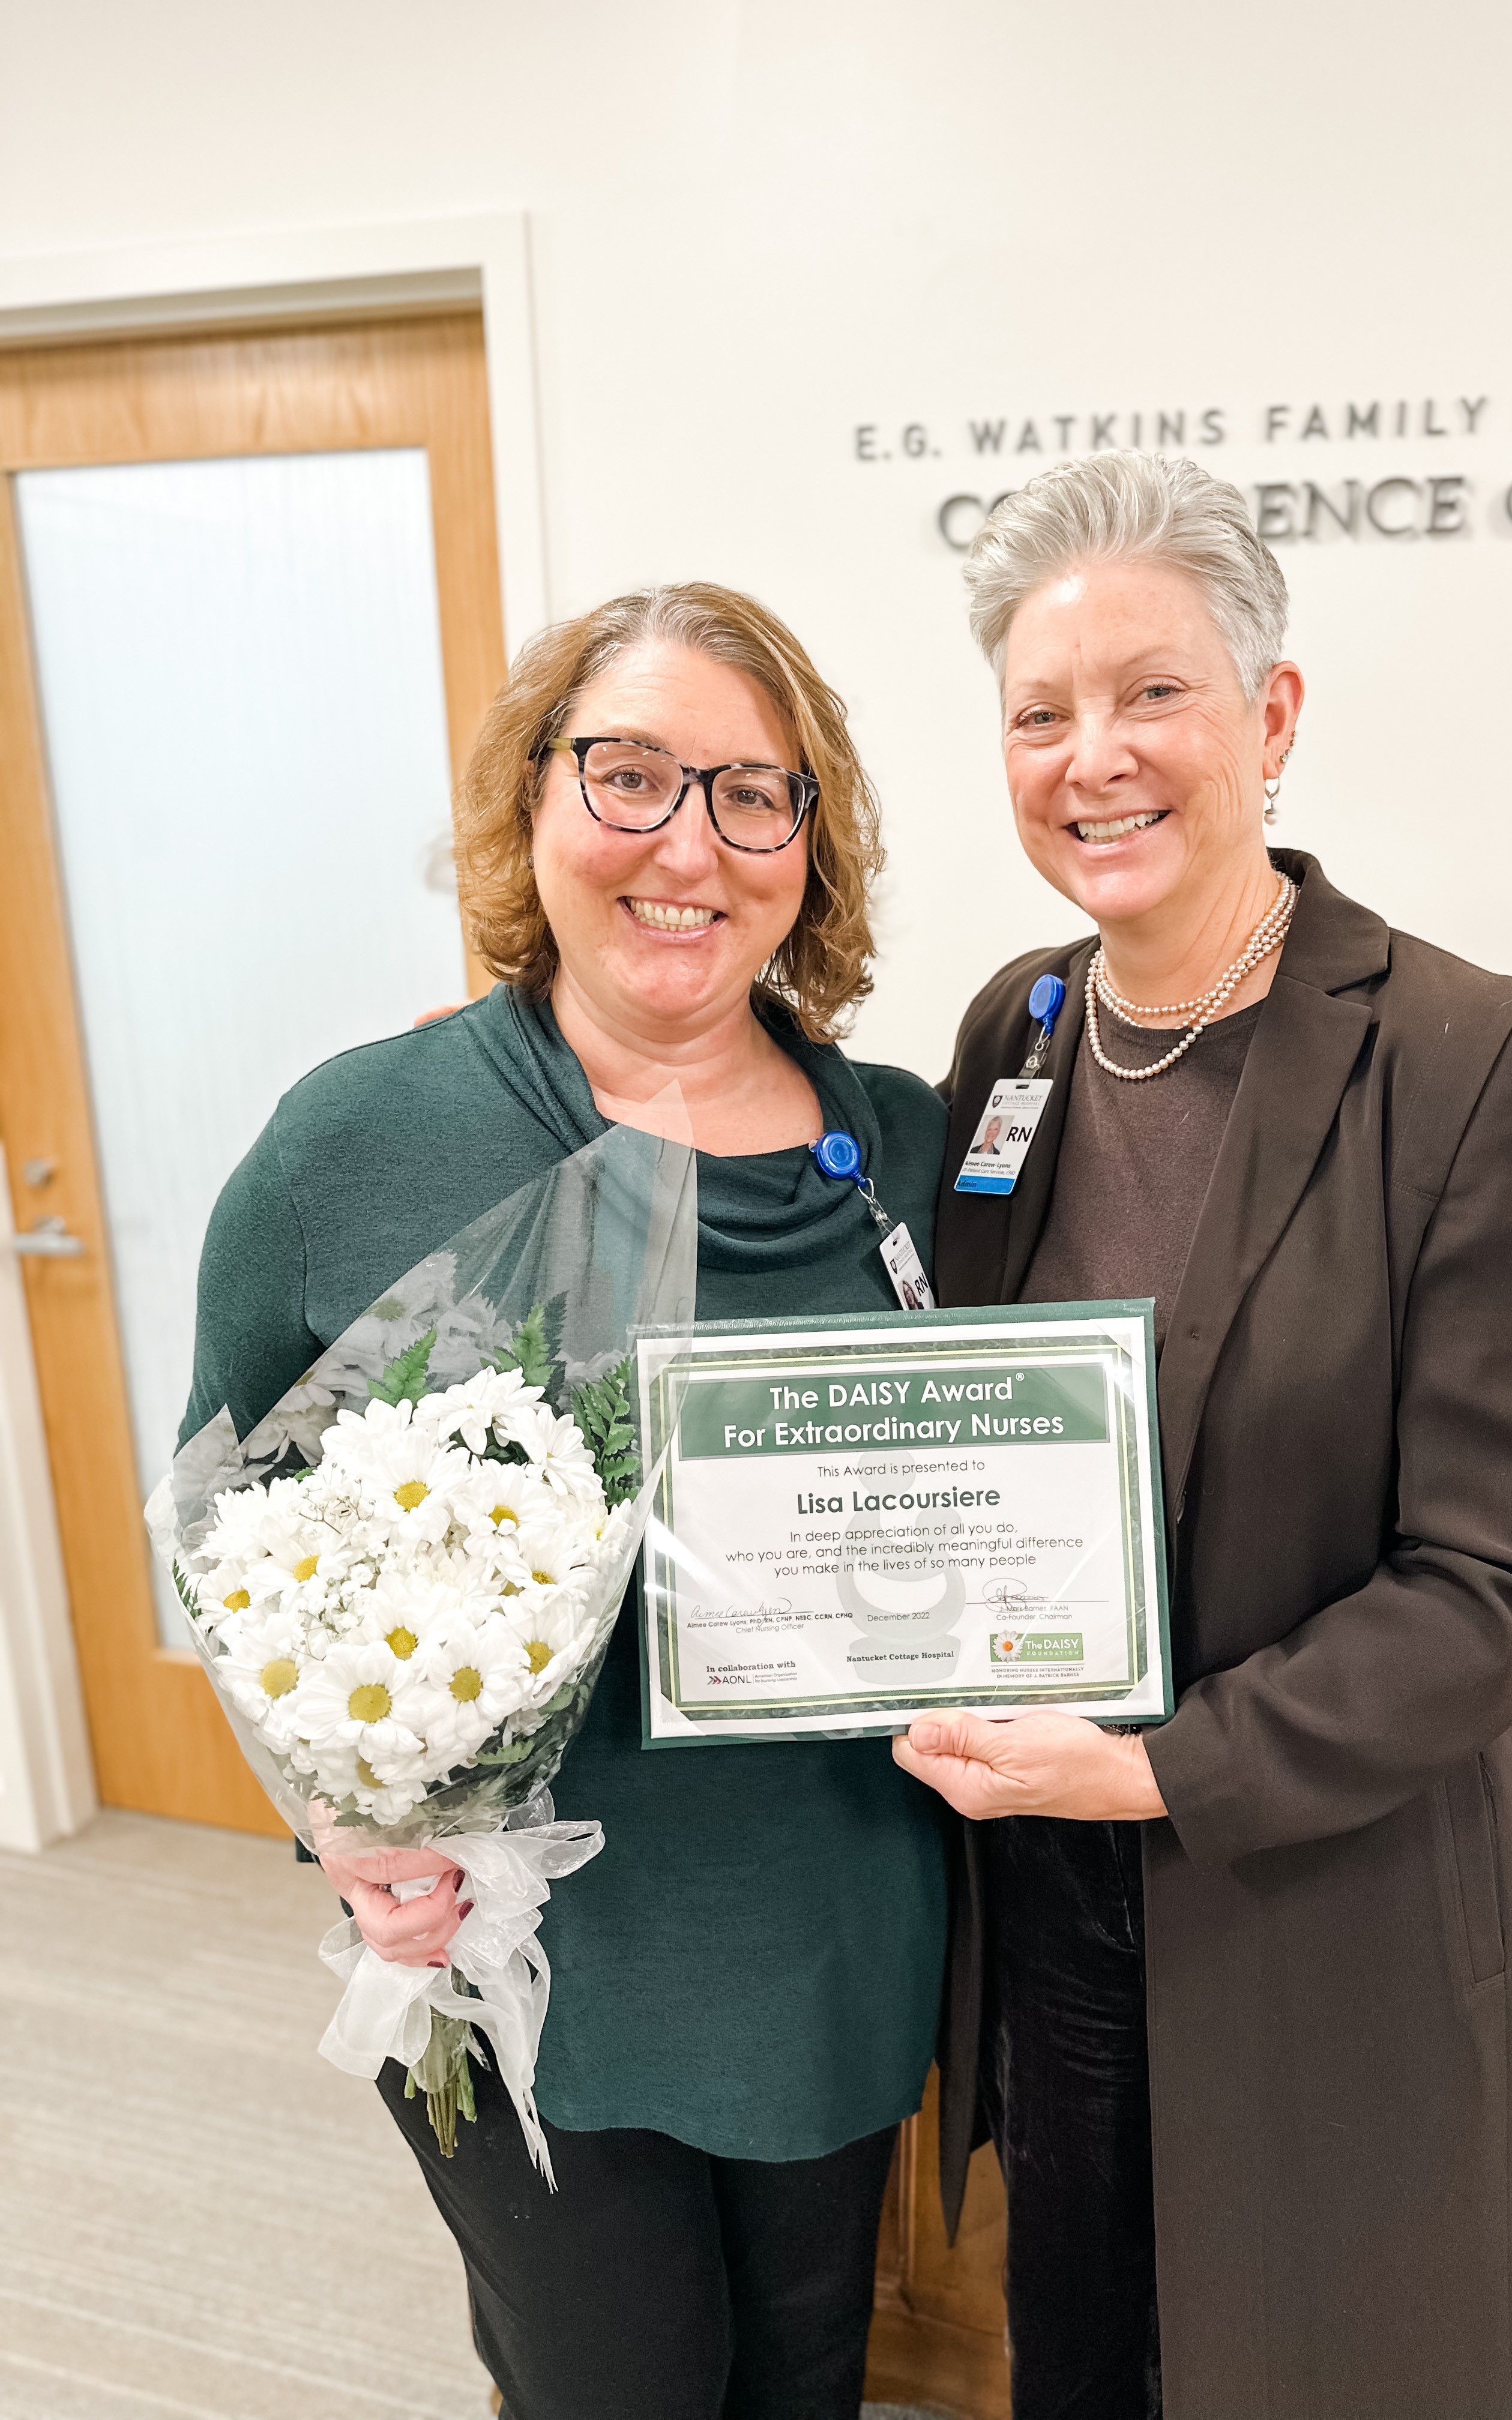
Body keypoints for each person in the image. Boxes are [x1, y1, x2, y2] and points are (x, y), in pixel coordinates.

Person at [894, 454, 1512, 2420]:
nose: (1093, 758)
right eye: (1039, 716)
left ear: (1271, 716)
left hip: (1322, 1926)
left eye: (1153, 694)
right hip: (1053, 1910)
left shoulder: (1470, 1059)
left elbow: (1503, 1583)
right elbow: (961, 1412)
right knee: (1091, 2369)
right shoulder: (1017, 1033)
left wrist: (1162, 1773)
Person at [184, 583, 949, 2420]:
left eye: (753, 793)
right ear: (533, 802)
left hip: (828, 1918)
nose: (689, 844)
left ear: (807, 844)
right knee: (611, 2386)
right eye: (629, 775)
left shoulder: (912, 1142)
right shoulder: (353, 1144)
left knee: (808, 2378)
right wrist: (341, 1820)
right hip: (515, 1945)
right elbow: (229, 1518)